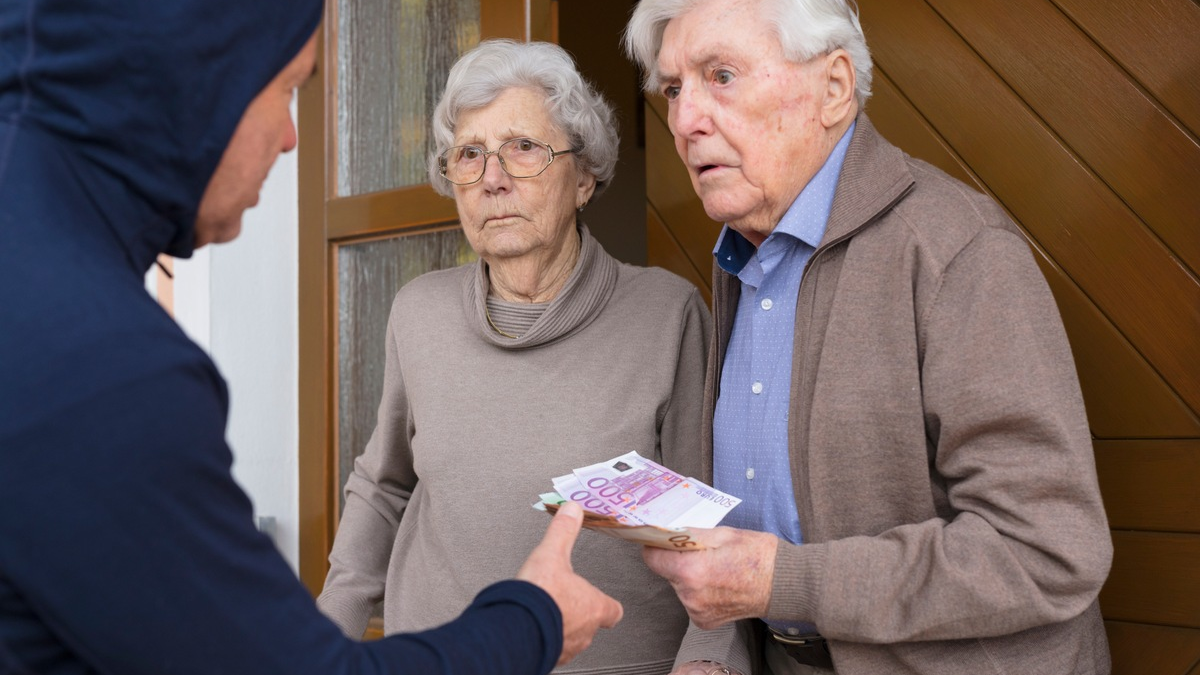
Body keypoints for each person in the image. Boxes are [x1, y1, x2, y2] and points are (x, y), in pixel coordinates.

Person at [0, 1, 621, 673]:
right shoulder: (103, 369)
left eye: (523, 149)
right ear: (202, 83)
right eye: (288, 89)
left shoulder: (39, 279)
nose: (294, 138)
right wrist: (536, 616)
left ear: (583, 175)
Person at [621, 0, 1113, 673]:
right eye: (674, 88)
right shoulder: (742, 257)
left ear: (833, 87)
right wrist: (716, 648)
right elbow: (750, 528)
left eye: (722, 75)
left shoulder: (958, 248)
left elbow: (1047, 549)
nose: (683, 119)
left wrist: (785, 582)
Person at [316, 39, 710, 675]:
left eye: (523, 148)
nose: (492, 178)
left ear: (584, 177)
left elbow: (705, 526)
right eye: (469, 155)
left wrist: (713, 655)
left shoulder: (667, 315)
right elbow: (383, 485)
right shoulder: (420, 313)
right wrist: (324, 636)